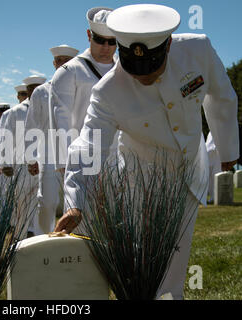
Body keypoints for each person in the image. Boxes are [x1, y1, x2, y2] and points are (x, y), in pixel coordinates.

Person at [54, 4, 239, 300]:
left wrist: (228, 147)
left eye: (151, 68)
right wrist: (76, 201)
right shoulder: (107, 91)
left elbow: (221, 95)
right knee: (144, 261)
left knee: (176, 259)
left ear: (167, 46)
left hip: (191, 171)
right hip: (142, 179)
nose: (143, 78)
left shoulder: (197, 49)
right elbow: (88, 146)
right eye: (134, 69)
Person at [49, 7, 118, 173]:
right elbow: (61, 118)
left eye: (112, 41)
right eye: (100, 40)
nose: (106, 47)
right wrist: (64, 163)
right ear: (89, 35)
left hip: (117, 158)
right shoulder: (70, 71)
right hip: (83, 160)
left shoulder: (123, 71)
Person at [25, 44, 79, 234]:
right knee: (47, 201)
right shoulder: (41, 92)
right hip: (47, 153)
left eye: (67, 61)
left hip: (77, 152)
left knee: (75, 201)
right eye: (60, 61)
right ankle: (43, 238)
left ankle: (74, 242)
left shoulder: (81, 85)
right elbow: (32, 125)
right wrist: (31, 158)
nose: (63, 64)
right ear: (54, 63)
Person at [0, 75, 46, 237]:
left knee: (42, 205)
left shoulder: (48, 108)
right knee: (22, 204)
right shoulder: (15, 112)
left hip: (43, 165)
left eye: (38, 88)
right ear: (26, 91)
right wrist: (5, 163)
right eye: (31, 89)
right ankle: (19, 238)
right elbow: (6, 138)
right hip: (22, 165)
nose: (35, 92)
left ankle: (38, 238)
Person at [206, 132, 222, 203]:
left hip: (216, 155)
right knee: (207, 178)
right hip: (209, 154)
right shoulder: (211, 132)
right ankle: (208, 196)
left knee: (215, 177)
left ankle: (214, 197)